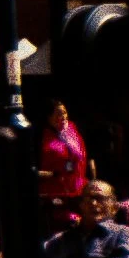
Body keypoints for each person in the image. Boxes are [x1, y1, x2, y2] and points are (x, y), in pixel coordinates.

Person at [39, 99, 90, 232]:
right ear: (49, 117)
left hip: (77, 188)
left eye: (64, 113)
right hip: (54, 190)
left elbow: (85, 157)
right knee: (62, 224)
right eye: (58, 114)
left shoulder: (73, 130)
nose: (62, 117)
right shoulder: (42, 136)